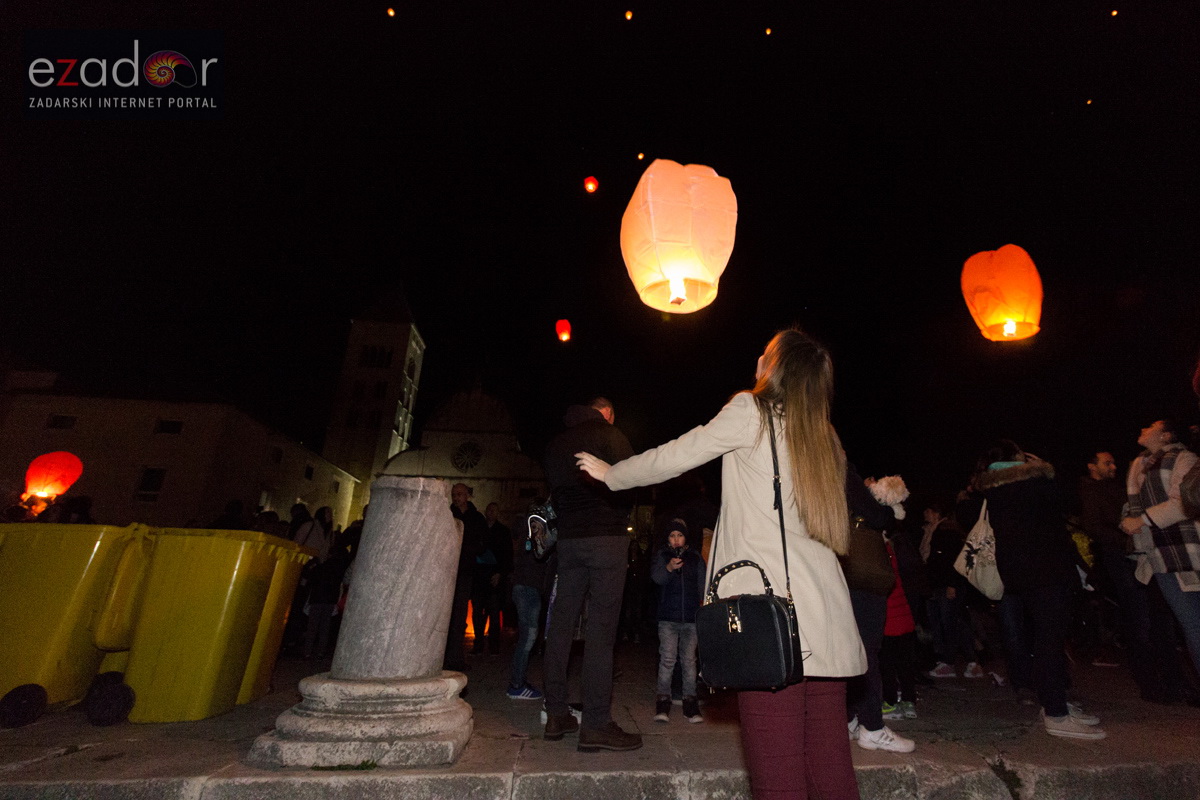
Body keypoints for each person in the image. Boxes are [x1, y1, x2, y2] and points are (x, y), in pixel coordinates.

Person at [577, 329, 866, 799]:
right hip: (827, 618)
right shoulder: (826, 437)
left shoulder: (751, 411)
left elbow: (679, 453)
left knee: (778, 777)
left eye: (766, 354)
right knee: (831, 771)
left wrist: (612, 474)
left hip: (769, 616)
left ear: (773, 367)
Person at [959, 440, 1105, 740]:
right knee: (1050, 639)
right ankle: (1056, 713)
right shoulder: (1033, 482)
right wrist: (1044, 469)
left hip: (1021, 575)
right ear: (1019, 458)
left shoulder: (995, 489)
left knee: (1042, 637)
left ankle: (1055, 703)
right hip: (1048, 571)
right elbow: (1070, 503)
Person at [541, 396, 639, 752]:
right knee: (601, 630)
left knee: (561, 623)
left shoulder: (555, 444)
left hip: (569, 543)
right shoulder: (611, 436)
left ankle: (555, 714)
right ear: (608, 413)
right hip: (607, 540)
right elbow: (630, 481)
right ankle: (596, 723)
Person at [1122, 419, 1200, 684]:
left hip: (1189, 550)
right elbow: (1135, 502)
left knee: (1194, 625)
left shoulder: (1184, 458)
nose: (1143, 429)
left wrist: (1142, 519)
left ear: (1166, 435)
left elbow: (1186, 502)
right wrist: (1129, 519)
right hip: (1159, 553)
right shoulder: (1138, 463)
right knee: (1189, 623)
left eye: (1151, 427)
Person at [844, 470, 916, 753]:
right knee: (866, 650)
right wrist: (875, 497)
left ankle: (849, 718)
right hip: (860, 574)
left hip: (835, 567)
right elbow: (878, 517)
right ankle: (872, 727)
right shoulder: (837, 463)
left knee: (850, 647)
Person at [650, 518, 706, 724]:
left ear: (685, 538)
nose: (676, 540)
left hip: (691, 618)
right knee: (667, 660)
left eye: (679, 535)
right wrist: (668, 568)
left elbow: (702, 585)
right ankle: (663, 702)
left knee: (689, 662)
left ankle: (690, 703)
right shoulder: (662, 556)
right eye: (672, 536)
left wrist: (703, 608)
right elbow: (656, 579)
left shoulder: (695, 558)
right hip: (668, 619)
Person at [921, 503, 982, 679]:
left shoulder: (947, 530)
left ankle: (956, 661)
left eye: (928, 509)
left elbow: (954, 559)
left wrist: (952, 584)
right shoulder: (930, 531)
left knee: (951, 623)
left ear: (936, 512)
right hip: (935, 584)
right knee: (943, 623)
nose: (925, 513)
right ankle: (951, 660)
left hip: (947, 584)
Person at [507, 506, 551, 700]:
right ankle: (516, 685)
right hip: (527, 588)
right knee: (528, 638)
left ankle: (519, 681)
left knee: (528, 637)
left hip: (527, 587)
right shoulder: (533, 531)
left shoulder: (530, 534)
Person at [445, 483, 486, 671]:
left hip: (465, 571)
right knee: (444, 615)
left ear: (467, 496)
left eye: (460, 494)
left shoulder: (476, 518)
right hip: (445, 570)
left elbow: (483, 543)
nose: (456, 497)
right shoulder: (445, 515)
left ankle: (456, 658)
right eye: (454, 494)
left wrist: (466, 549)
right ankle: (442, 657)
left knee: (460, 615)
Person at [472, 502, 513, 655]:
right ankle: (478, 644)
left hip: (494, 576)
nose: (490, 513)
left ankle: (493, 645)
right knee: (477, 612)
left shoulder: (503, 531)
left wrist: (500, 573)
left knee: (494, 612)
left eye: (494, 510)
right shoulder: (480, 530)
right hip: (479, 576)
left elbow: (507, 555)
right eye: (489, 510)